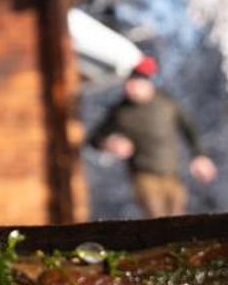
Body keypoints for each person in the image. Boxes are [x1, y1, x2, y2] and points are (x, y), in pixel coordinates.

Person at [88, 56, 216, 219]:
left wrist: (200, 155)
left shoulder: (166, 103)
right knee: (157, 218)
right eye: (127, 84)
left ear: (147, 84)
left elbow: (188, 129)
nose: (129, 89)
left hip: (171, 174)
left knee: (179, 218)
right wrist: (110, 143)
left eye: (134, 84)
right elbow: (93, 139)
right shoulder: (121, 111)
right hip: (143, 176)